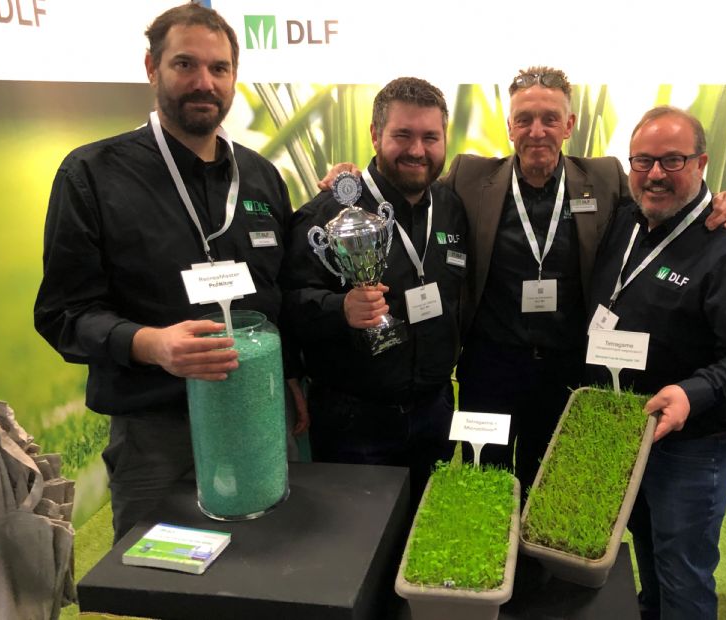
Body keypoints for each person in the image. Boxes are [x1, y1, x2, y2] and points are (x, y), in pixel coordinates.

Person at [34, 2, 304, 542]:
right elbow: (63, 313)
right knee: (165, 574)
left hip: (260, 411)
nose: (204, 82)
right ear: (152, 68)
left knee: (271, 561)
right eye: (185, 64)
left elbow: (283, 291)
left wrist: (292, 376)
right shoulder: (92, 174)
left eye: (219, 68)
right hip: (156, 431)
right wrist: (153, 345)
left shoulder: (260, 176)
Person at [439, 67, 726, 493]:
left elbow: (662, 202)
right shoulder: (470, 176)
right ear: (509, 126)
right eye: (524, 119)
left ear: (569, 124)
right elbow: (416, 195)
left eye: (550, 118)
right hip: (489, 369)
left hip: (565, 370)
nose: (537, 131)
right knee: (483, 480)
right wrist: (354, 184)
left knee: (548, 482)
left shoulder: (604, 178)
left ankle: (535, 538)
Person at [588, 106, 726, 619]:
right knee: (647, 544)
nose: (655, 173)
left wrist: (691, 394)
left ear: (701, 163)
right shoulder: (629, 220)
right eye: (643, 160)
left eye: (672, 160)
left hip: (696, 444)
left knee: (683, 568)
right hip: (632, 429)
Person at [281, 77, 467, 502]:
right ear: (375, 135)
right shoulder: (328, 215)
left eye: (430, 137)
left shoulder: (452, 207)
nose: (417, 150)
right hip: (355, 421)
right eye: (402, 135)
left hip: (434, 412)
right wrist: (339, 308)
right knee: (359, 536)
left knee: (423, 528)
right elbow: (288, 305)